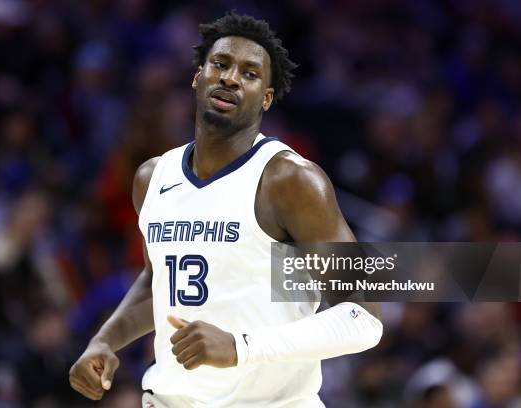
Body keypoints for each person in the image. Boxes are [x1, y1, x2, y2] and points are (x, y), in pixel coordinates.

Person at [69, 12, 383, 407]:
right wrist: (104, 340)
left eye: (250, 74)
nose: (231, 78)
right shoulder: (153, 177)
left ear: (266, 98)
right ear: (197, 76)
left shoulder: (290, 181)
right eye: (220, 64)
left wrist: (240, 346)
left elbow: (363, 318)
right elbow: (158, 282)